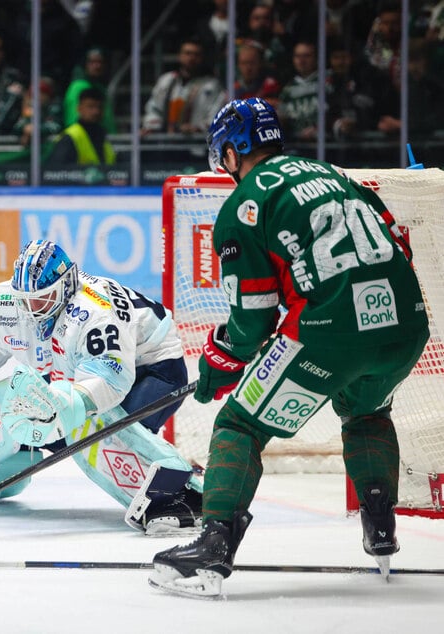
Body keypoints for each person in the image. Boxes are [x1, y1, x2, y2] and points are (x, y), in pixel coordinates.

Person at [149, 97, 430, 598]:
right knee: (366, 411)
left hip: (331, 335)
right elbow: (399, 248)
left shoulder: (243, 206)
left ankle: (212, 549)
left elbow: (254, 321)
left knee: (240, 422)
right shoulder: (336, 174)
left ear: (233, 150)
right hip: (404, 328)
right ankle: (381, 528)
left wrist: (222, 356)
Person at [0, 240, 203, 536]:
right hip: (72, 373)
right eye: (27, 301)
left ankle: (184, 493)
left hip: (153, 370)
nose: (33, 311)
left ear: (67, 287)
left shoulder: (94, 312)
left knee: (92, 431)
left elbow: (110, 379)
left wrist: (67, 408)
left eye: (43, 300)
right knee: (21, 405)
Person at [141, 37, 226, 136]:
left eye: (196, 54)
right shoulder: (167, 80)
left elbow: (217, 116)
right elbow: (154, 109)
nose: (191, 58)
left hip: (199, 144)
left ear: (202, 58)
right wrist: (151, 127)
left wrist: (197, 128)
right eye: (187, 53)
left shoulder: (212, 85)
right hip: (166, 142)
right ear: (180, 56)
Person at [46, 86, 114, 166]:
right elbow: (56, 172)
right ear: (79, 108)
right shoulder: (70, 137)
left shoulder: (102, 135)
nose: (96, 112)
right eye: (90, 107)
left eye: (99, 107)